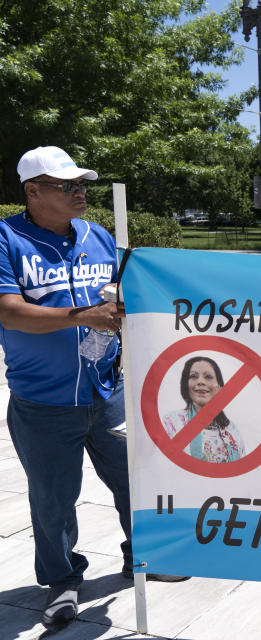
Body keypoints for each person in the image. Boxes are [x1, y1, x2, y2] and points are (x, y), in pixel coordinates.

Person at [0, 147, 187, 627]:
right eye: (67, 185)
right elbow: (9, 311)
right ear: (33, 190)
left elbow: (124, 294)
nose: (80, 191)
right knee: (53, 499)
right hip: (42, 401)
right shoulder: (6, 239)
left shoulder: (98, 236)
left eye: (82, 183)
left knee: (135, 481)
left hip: (107, 393)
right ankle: (63, 582)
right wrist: (84, 316)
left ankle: (143, 556)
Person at [162, 356, 244, 463]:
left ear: (220, 388)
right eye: (193, 376)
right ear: (185, 385)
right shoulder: (171, 423)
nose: (200, 381)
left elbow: (240, 474)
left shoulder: (232, 431)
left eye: (208, 377)